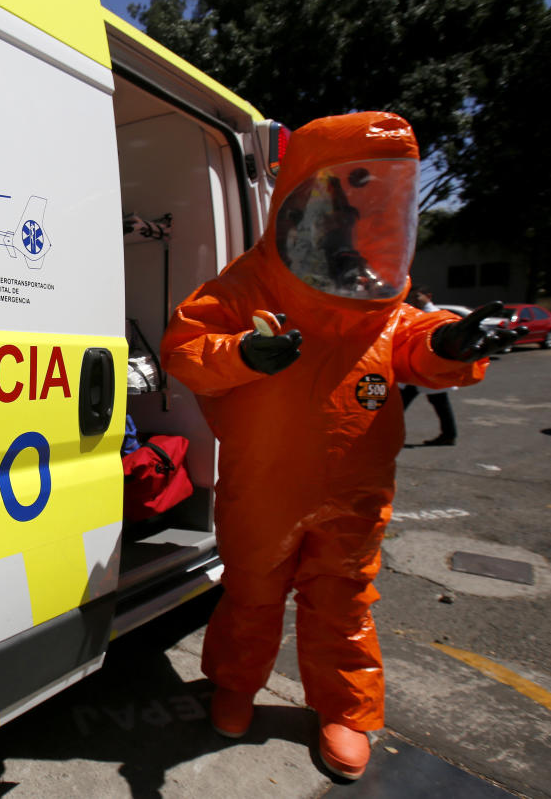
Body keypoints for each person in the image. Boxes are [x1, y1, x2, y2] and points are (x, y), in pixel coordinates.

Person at [159, 112, 523, 781]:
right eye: (334, 197)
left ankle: (346, 711)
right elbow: (186, 348)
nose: (346, 219)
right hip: (265, 481)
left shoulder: (372, 295)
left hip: (353, 485)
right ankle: (234, 686)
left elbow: (414, 339)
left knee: (343, 601)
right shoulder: (250, 286)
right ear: (302, 197)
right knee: (252, 592)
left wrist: (451, 342)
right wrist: (243, 352)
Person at [400, 287, 459, 445]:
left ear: (428, 296)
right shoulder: (417, 314)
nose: (414, 300)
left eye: (417, 296)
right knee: (438, 403)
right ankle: (449, 434)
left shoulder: (436, 315)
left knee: (400, 404)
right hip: (418, 368)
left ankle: (386, 435)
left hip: (428, 368)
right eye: (411, 297)